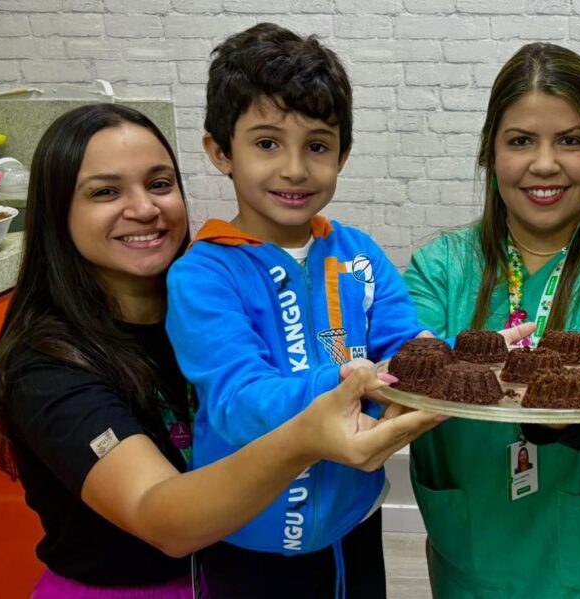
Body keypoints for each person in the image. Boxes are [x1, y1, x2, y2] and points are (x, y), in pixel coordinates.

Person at [0, 103, 443, 599]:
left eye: (159, 184)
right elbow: (162, 517)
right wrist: (312, 431)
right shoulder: (48, 368)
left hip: (244, 567)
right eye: (105, 192)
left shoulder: (208, 311)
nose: (144, 208)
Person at [163, 23, 441, 597]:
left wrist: (453, 361)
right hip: (248, 536)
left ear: (343, 154)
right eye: (267, 143)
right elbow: (239, 402)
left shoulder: (358, 253)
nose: (295, 168)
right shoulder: (203, 274)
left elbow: (405, 343)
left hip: (355, 522)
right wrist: (348, 383)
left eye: (317, 145)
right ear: (220, 152)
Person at [404, 43, 580, 597]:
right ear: (490, 154)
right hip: (469, 550)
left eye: (570, 141)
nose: (545, 164)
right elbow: (407, 368)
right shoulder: (439, 265)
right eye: (521, 141)